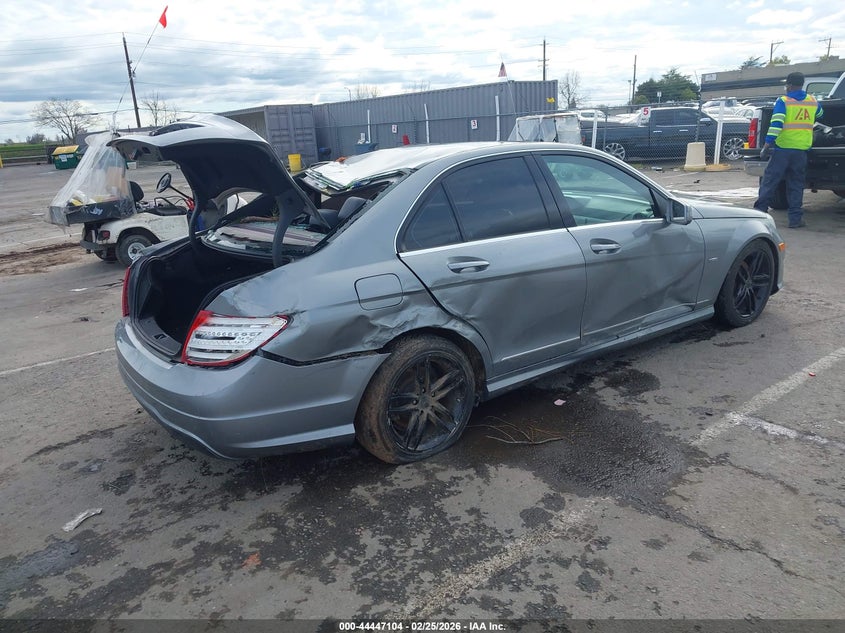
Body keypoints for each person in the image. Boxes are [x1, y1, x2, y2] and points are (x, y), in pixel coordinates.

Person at [754, 71, 823, 228]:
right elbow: (820, 113)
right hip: (801, 151)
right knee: (796, 185)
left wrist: (766, 145)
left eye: (786, 85)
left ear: (790, 85)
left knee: (770, 182)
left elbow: (777, 123)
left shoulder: (783, 101)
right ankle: (795, 219)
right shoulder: (812, 101)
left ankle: (759, 214)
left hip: (783, 150)